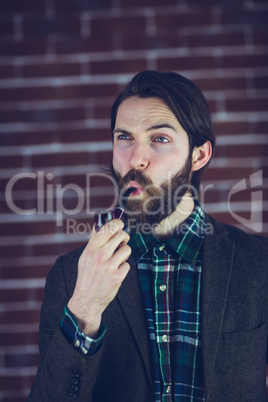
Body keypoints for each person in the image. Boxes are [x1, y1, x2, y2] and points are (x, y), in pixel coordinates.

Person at [28, 71, 268, 402]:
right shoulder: (71, 276)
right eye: (124, 137)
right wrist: (85, 308)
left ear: (199, 155)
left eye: (159, 139)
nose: (136, 159)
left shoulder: (259, 265)